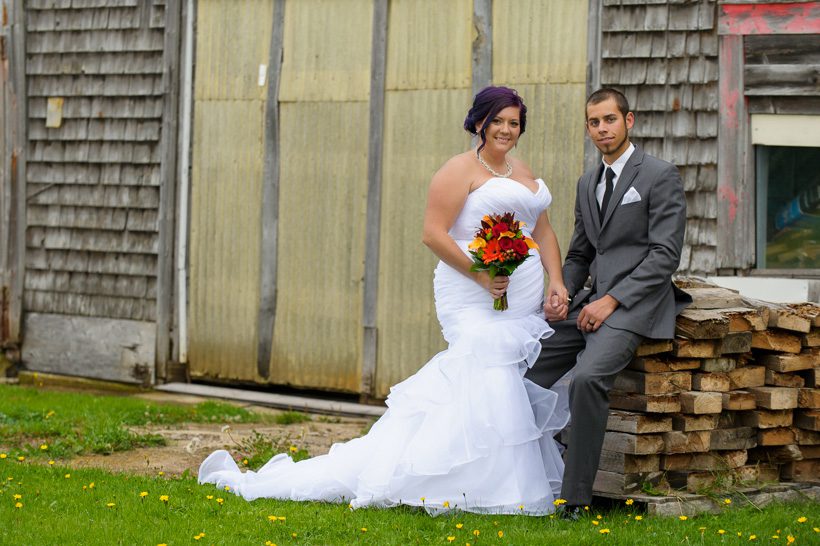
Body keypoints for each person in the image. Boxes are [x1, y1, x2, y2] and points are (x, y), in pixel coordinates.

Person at [199, 86, 571, 515]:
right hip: (471, 293)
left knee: (496, 378)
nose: (507, 130)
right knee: (484, 370)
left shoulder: (520, 169)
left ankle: (477, 479)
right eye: (499, 121)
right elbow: (432, 233)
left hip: (519, 300)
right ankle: (482, 486)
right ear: (480, 123)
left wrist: (556, 281)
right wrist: (482, 274)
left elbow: (541, 231)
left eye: (514, 123)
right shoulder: (457, 170)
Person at [526, 88, 692, 513]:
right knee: (520, 365)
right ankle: (518, 476)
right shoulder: (588, 182)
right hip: (588, 302)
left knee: (586, 380)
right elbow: (582, 253)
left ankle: (574, 498)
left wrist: (612, 300)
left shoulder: (659, 174)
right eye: (594, 122)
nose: (602, 129)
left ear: (628, 121)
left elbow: (665, 256)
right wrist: (562, 289)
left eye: (610, 120)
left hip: (636, 306)